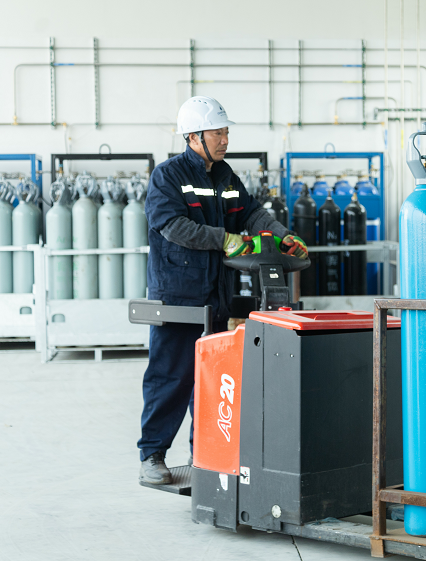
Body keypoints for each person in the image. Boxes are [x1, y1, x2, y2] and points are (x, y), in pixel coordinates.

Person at [139, 96, 307, 484]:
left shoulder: (226, 176)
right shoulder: (168, 176)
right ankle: (152, 455)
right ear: (193, 136)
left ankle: (204, 453)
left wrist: (283, 236)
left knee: (214, 381)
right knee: (171, 376)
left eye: (226, 132)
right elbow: (172, 226)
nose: (225, 139)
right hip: (179, 295)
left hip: (217, 296)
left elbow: (252, 213)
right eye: (217, 133)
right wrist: (225, 240)